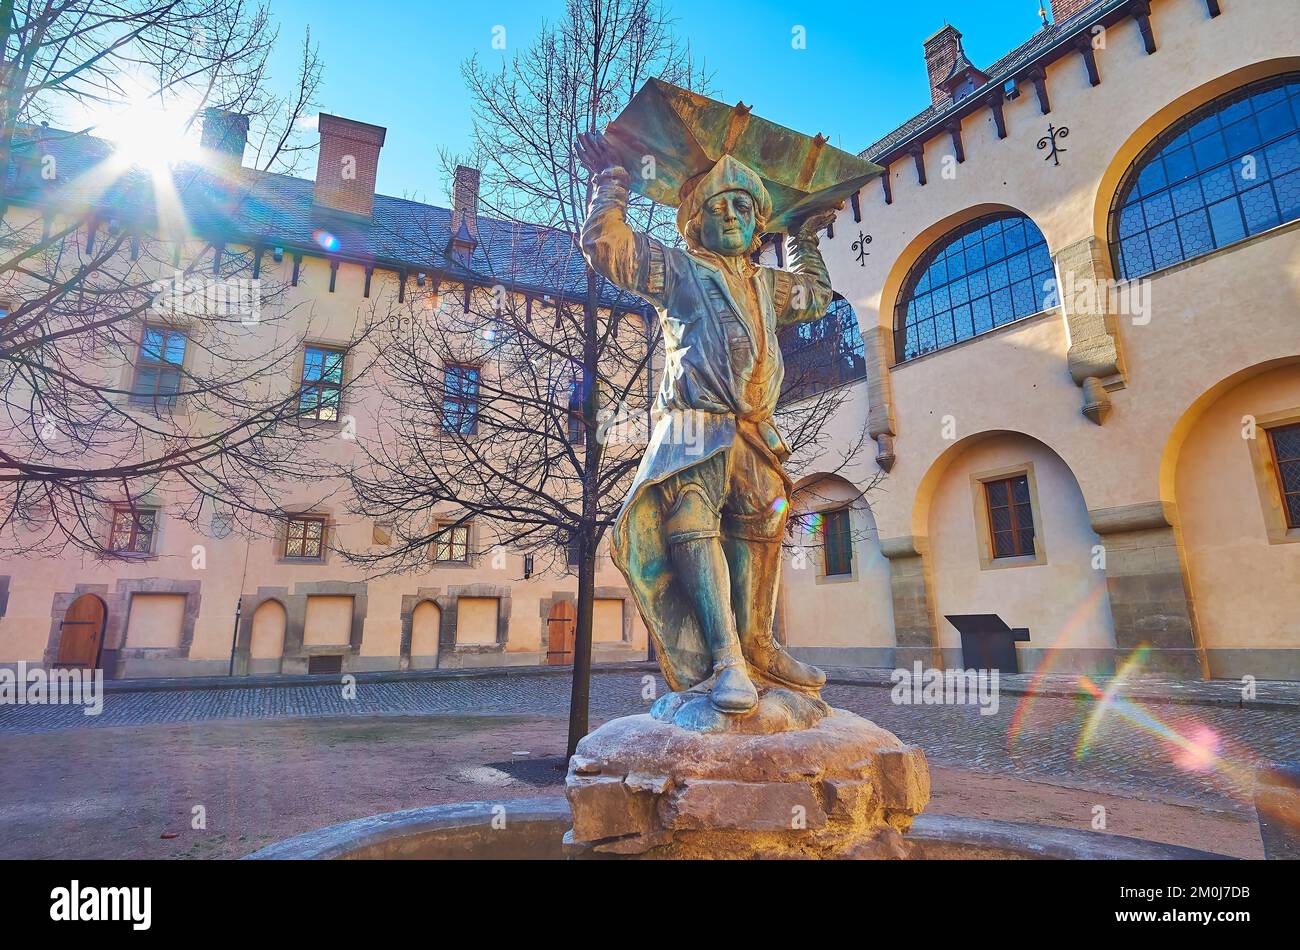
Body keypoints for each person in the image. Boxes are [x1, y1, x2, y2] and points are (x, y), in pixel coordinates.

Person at [577, 130, 837, 713]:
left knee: (763, 522)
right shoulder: (677, 269)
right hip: (694, 425)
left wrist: (805, 236)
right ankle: (726, 661)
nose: (730, 215)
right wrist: (612, 183)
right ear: (695, 220)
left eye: (742, 206)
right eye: (716, 206)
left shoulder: (768, 284)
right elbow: (609, 248)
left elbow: (818, 295)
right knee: (690, 522)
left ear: (757, 221)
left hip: (754, 429)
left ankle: (760, 643)